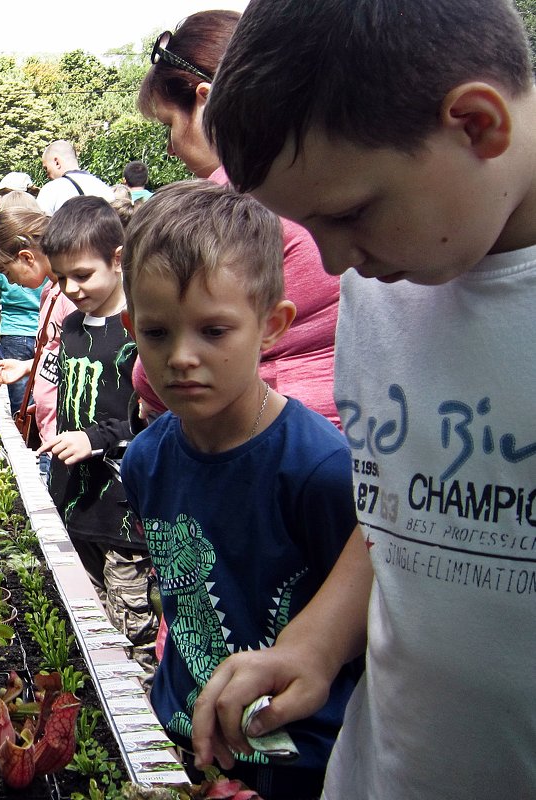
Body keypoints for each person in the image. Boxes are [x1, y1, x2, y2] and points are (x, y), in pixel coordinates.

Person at [188, 1, 536, 797]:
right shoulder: (389, 282)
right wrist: (313, 643)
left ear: (477, 125)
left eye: (349, 214)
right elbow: (406, 509)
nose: (338, 259)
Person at [121, 181, 360, 798]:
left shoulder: (319, 468)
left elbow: (357, 617)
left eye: (213, 331)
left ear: (272, 326)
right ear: (130, 327)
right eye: (157, 333)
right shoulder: (146, 459)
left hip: (301, 758)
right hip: (186, 734)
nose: (181, 357)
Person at [138, 10, 341, 428]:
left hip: (259, 439)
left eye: (168, 126)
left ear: (208, 100)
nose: (172, 148)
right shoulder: (327, 172)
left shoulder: (237, 200)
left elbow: (149, 377)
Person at [39, 195, 155, 665]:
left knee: (132, 630)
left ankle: (146, 729)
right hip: (75, 499)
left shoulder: (142, 327)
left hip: (124, 509)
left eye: (82, 275)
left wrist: (97, 439)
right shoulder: (70, 324)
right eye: (60, 277)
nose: (70, 288)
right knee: (88, 620)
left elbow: (154, 414)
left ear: (117, 258)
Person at [0, 208, 77, 477]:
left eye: (7, 271)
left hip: (67, 439)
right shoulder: (50, 290)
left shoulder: (71, 297)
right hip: (52, 434)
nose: (10, 280)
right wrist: (27, 367)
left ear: (26, 257)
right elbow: (57, 354)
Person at [0, 247, 44, 415]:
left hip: (14, 332)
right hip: (46, 333)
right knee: (46, 393)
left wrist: (2, 332)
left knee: (21, 404)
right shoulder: (41, 259)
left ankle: (25, 439)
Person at [35, 140, 115, 215]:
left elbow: (38, 226)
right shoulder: (105, 189)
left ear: (57, 162)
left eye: (46, 168)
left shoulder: (51, 190)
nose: (47, 175)